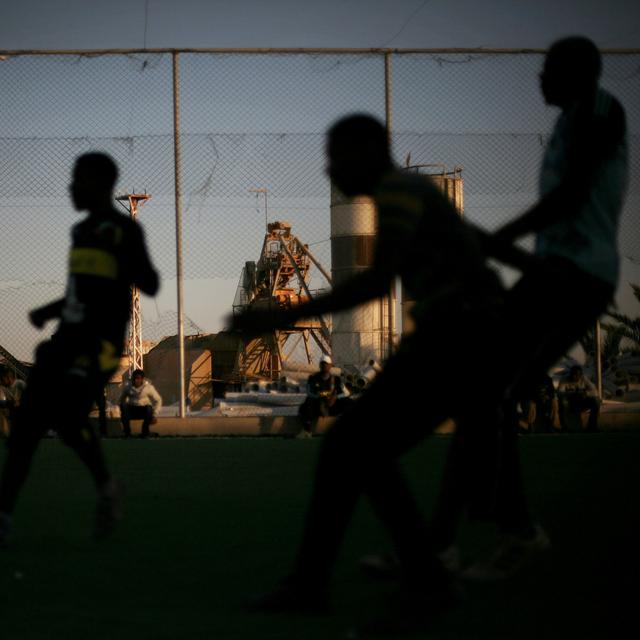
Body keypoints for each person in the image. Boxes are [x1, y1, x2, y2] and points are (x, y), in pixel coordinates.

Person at [231, 113, 511, 633]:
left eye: (335, 155)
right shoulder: (408, 193)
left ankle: (349, 583)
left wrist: (280, 316)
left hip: (458, 334)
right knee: (358, 449)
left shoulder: (398, 192)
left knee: (353, 447)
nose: (329, 168)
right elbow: (478, 243)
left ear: (366, 151)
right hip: (461, 333)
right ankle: (413, 576)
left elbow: (377, 282)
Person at [432, 35, 628, 582]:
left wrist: (497, 238)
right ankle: (475, 534)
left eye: (548, 69)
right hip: (553, 273)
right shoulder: (570, 120)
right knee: (487, 392)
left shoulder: (598, 112)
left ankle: (502, 532)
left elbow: (569, 198)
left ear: (577, 73)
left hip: (575, 274)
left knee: (488, 391)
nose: (538, 77)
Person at [0, 152, 159, 546]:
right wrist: (49, 310)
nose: (71, 187)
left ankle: (105, 487)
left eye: (78, 180)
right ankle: (4, 514)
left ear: (100, 185)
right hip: (66, 340)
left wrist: (126, 262)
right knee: (28, 426)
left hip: (101, 344)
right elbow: (79, 291)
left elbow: (150, 282)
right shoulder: (80, 232)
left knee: (68, 417)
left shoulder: (125, 231)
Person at [297, 354, 351, 438]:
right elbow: (309, 392)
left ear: (330, 366)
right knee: (306, 404)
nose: (324, 366)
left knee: (349, 401)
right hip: (318, 406)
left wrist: (335, 397)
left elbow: (346, 393)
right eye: (322, 364)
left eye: (326, 364)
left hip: (332, 406)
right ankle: (307, 431)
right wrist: (320, 397)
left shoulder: (336, 379)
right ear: (320, 365)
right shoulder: (313, 378)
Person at [119, 368, 163, 438]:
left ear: (142, 379)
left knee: (149, 408)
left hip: (144, 411)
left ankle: (145, 433)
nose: (136, 380)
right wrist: (122, 410)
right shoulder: (128, 387)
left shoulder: (148, 388)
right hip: (132, 410)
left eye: (138, 378)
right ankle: (127, 433)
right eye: (134, 378)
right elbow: (121, 400)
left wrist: (154, 414)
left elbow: (158, 400)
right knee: (124, 406)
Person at [557, 365, 600, 432]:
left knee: (596, 401)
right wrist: (573, 394)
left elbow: (595, 391)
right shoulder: (564, 379)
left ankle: (592, 426)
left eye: (577, 375)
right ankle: (565, 427)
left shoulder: (584, 379)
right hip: (570, 403)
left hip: (582, 402)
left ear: (581, 375)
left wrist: (585, 393)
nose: (575, 377)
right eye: (574, 375)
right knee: (562, 402)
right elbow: (560, 393)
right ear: (570, 374)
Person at [0, 366, 27, 437]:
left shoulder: (19, 383)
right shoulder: (5, 388)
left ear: (9, 377)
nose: (2, 380)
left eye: (3, 378)